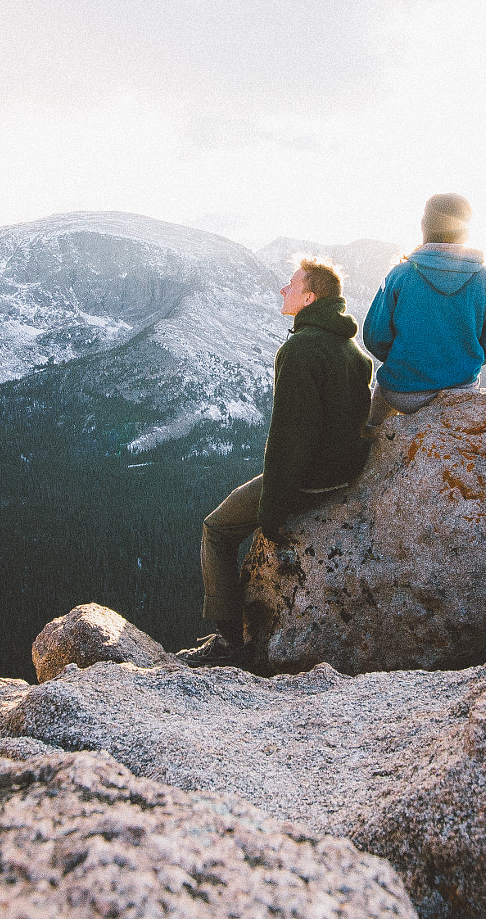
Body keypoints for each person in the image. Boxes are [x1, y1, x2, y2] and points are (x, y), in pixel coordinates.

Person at [180, 257, 373, 667]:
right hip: (344, 474)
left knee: (216, 530)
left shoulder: (299, 349)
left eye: (290, 285)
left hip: (309, 478)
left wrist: (272, 511)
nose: (282, 291)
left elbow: (290, 435)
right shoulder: (352, 350)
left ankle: (232, 645)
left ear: (309, 296)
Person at [362, 193, 486, 428]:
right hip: (460, 392)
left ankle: (372, 439)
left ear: (424, 226)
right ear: (466, 229)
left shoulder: (400, 274)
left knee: (371, 429)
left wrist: (407, 361)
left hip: (401, 393)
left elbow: (375, 337)